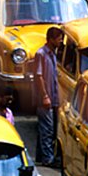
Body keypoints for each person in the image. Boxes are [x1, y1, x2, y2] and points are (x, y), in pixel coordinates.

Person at [33, 27, 63, 166]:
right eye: (59, 39)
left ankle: (41, 155)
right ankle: (47, 158)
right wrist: (45, 95)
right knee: (47, 129)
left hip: (54, 98)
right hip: (45, 98)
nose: (61, 41)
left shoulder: (53, 54)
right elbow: (38, 76)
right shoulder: (41, 54)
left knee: (48, 128)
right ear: (51, 39)